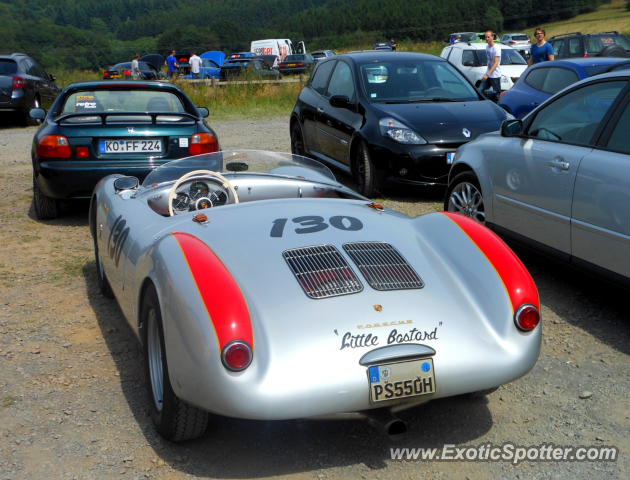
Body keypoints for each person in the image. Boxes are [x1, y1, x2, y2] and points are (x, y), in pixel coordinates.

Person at [480, 30, 502, 101]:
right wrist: (487, 73)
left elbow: (496, 63)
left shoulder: (496, 48)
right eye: (486, 37)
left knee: (497, 95)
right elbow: (489, 61)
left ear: (492, 37)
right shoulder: (487, 47)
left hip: (495, 75)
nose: (487, 39)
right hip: (489, 74)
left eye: (488, 37)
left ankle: (499, 108)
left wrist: (487, 74)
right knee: (480, 90)